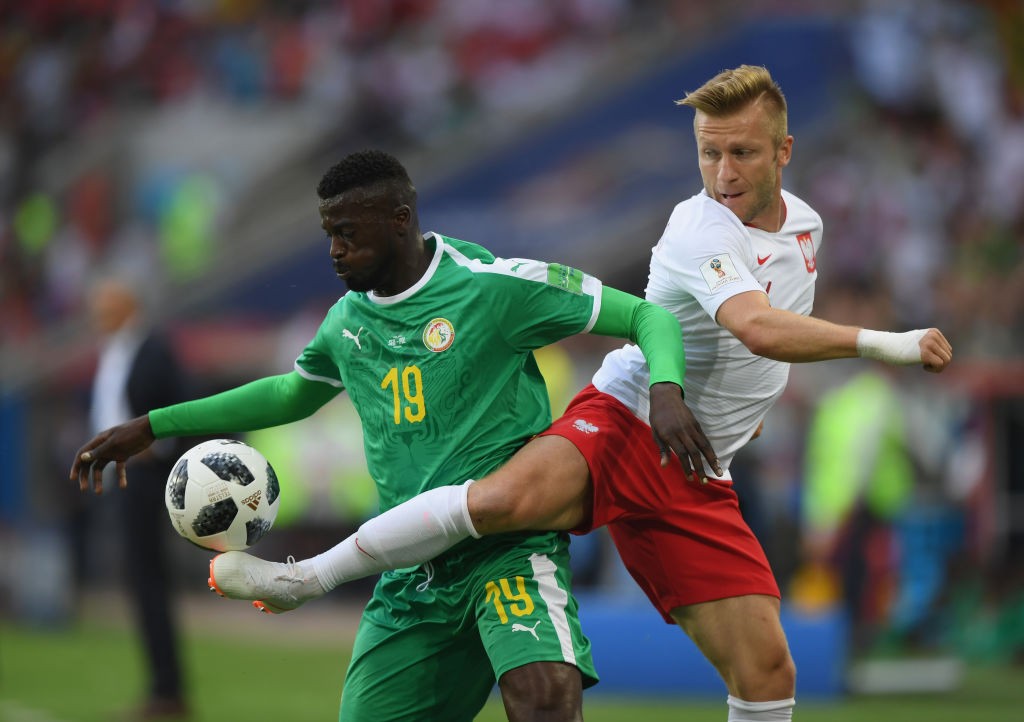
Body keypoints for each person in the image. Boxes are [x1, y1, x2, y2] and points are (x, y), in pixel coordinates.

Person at [206, 66, 954, 722]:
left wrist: (746, 413)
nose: (721, 172)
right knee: (498, 503)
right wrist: (888, 342)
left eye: (742, 152)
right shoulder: (697, 227)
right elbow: (755, 326)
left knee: (767, 672)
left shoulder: (808, 227)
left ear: (783, 153)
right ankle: (307, 578)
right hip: (630, 417)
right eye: (708, 151)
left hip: (697, 467)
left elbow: (763, 336)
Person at [70, 149, 716, 722]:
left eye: (348, 233)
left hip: (507, 550)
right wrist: (154, 424)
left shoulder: (492, 287)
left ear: (400, 220)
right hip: (409, 570)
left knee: (544, 694)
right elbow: (290, 392)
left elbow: (646, 315)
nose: (334, 251)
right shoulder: (347, 321)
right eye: (328, 234)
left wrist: (666, 389)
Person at [84, 271, 191, 720]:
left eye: (107, 305)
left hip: (144, 480)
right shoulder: (117, 349)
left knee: (149, 583)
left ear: (129, 305)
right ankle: (162, 687)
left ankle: (168, 691)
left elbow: (181, 407)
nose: (99, 315)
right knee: (141, 582)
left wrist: (156, 452)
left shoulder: (153, 348)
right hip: (121, 480)